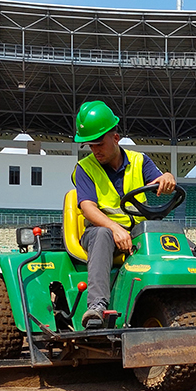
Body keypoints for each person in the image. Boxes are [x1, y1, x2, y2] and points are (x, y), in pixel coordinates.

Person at [73, 100, 176, 327]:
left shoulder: (140, 160)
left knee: (177, 239)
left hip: (138, 230)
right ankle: (97, 306)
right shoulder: (85, 168)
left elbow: (158, 180)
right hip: (100, 231)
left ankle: (193, 291)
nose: (95, 150)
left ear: (116, 138)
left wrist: (167, 176)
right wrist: (115, 228)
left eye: (99, 143)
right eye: (91, 145)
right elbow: (87, 207)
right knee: (102, 236)